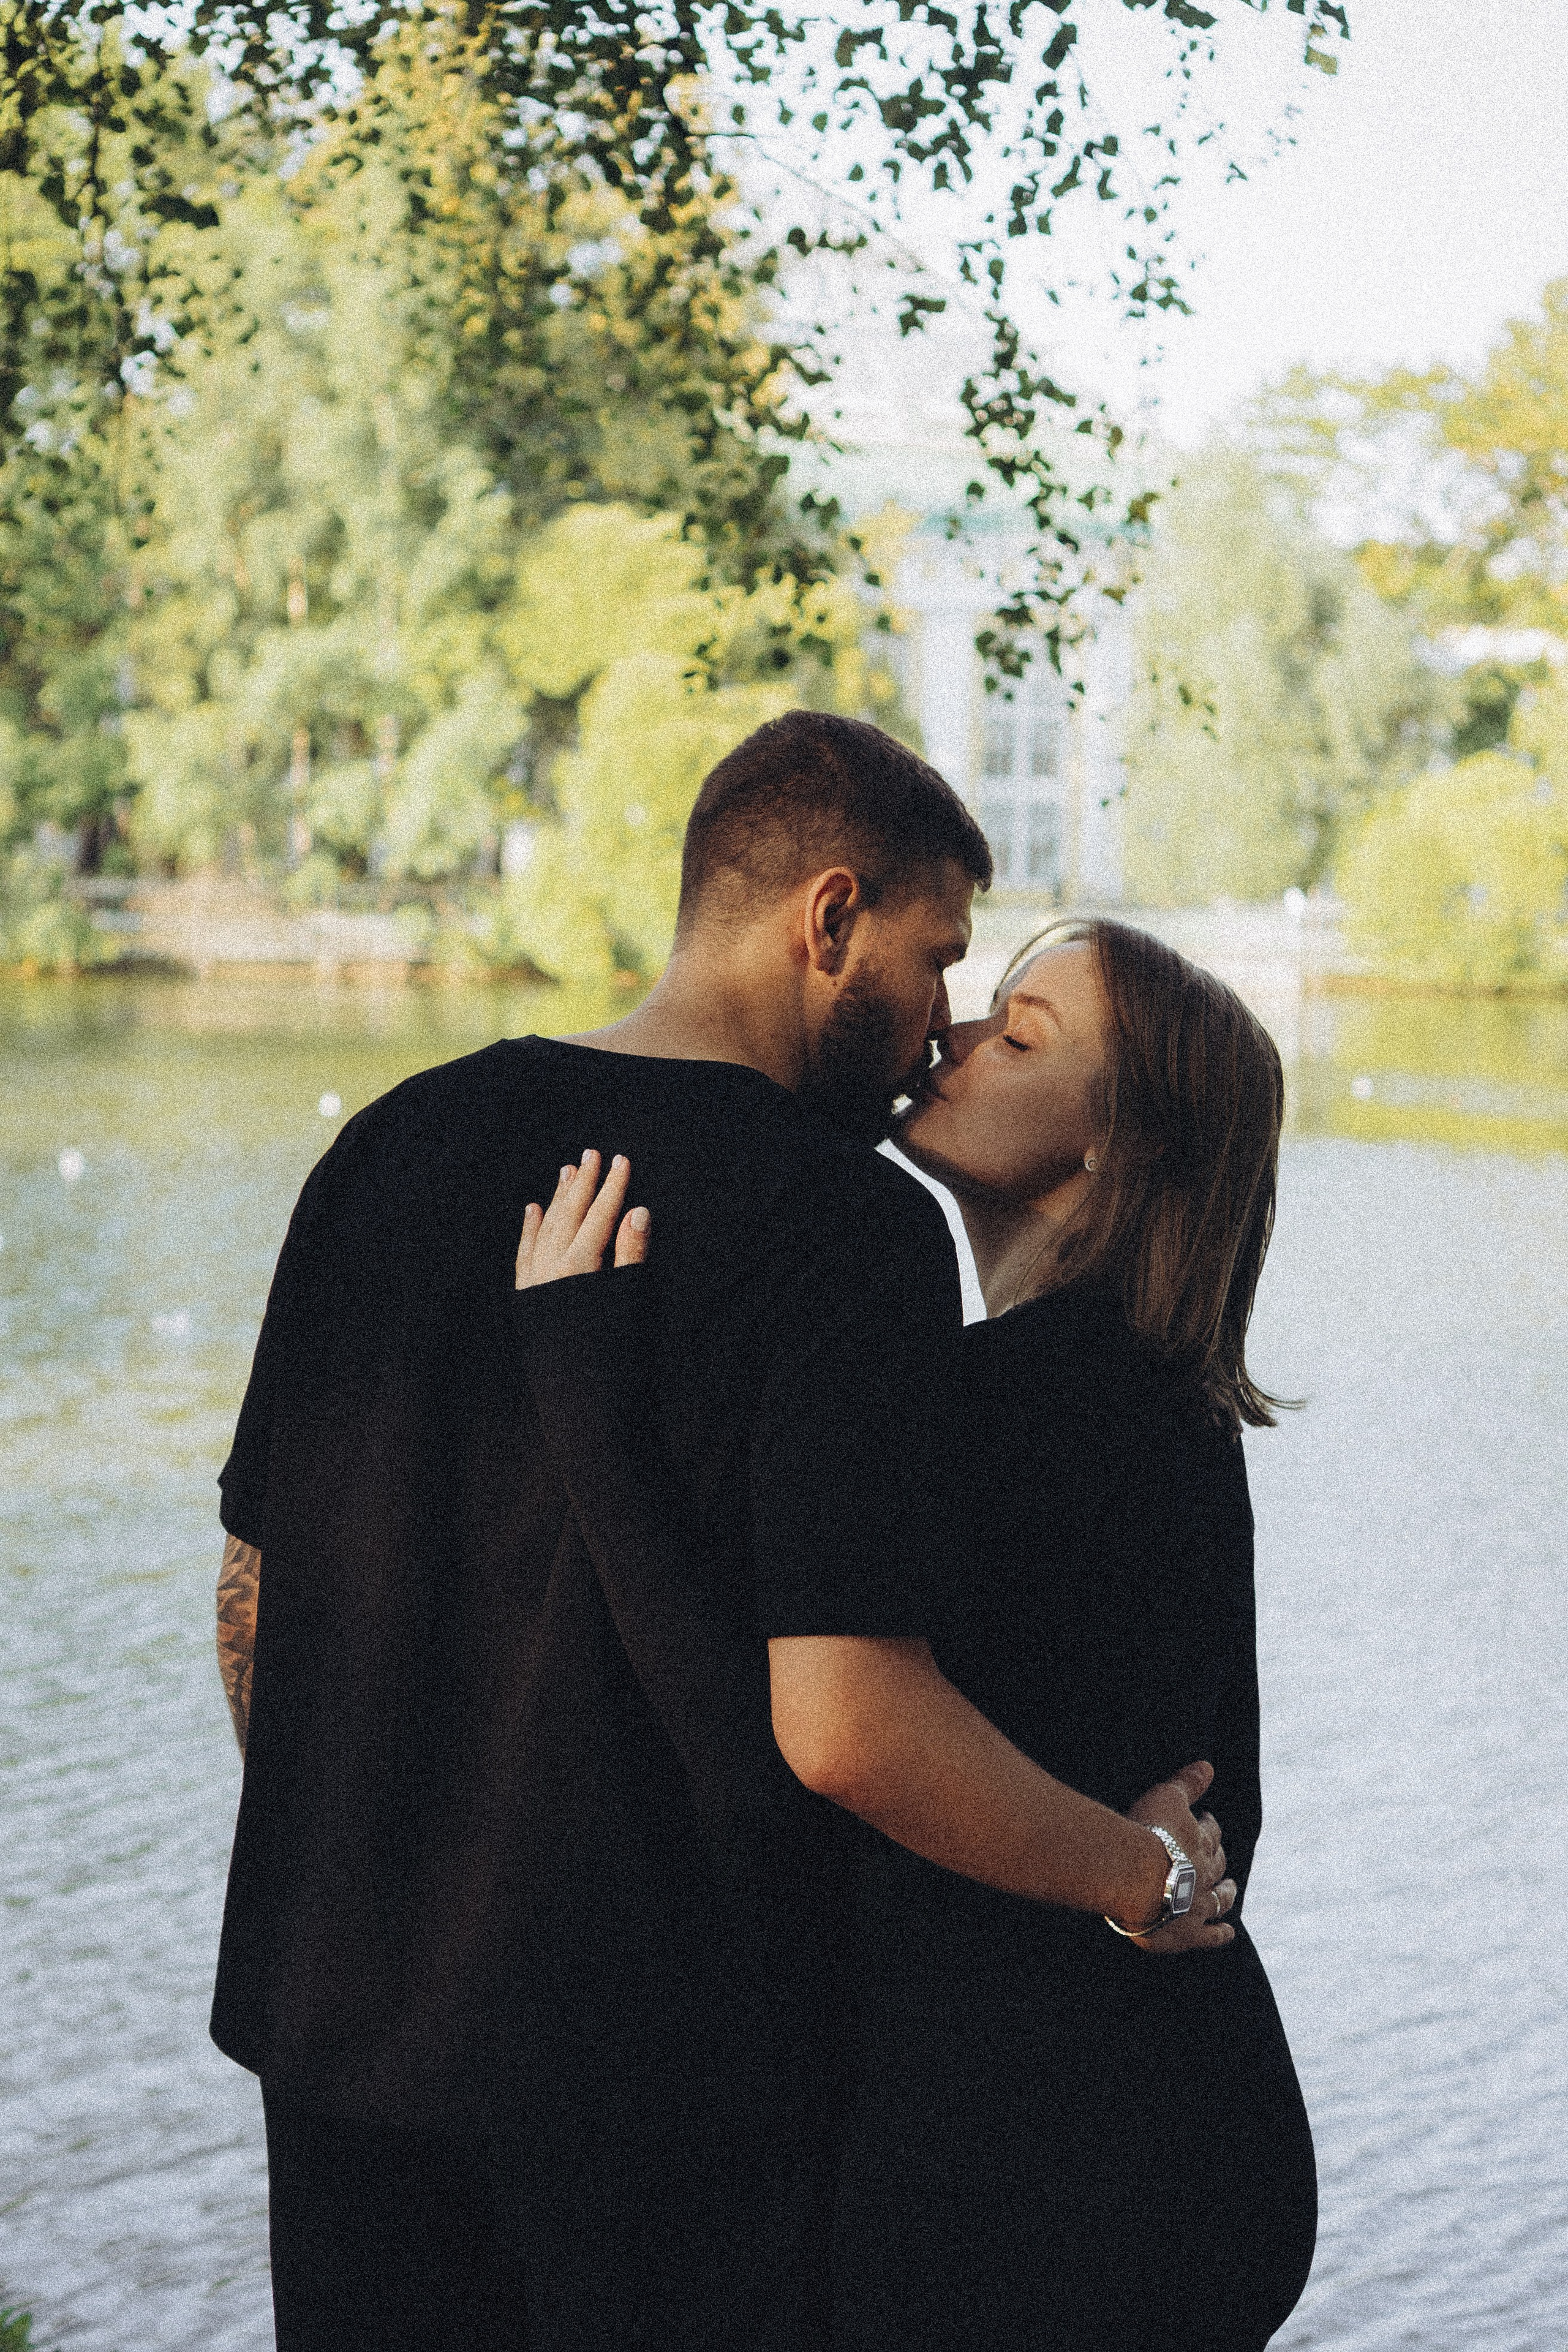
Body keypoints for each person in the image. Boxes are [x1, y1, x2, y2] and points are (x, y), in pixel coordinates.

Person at [213, 712, 1229, 2352]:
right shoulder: (845, 1232)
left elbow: (256, 1598)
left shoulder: (386, 1146)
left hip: (337, 2031)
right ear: (829, 922)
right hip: (656, 2091)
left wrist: (375, 1866)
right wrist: (1139, 1872)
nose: (941, 1022)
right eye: (935, 955)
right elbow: (848, 1718)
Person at [514, 918, 1316, 2350]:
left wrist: (579, 1379)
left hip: (1033, 2169)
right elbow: (1223, 1803)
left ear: (1113, 1151)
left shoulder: (986, 1398)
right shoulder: (1169, 1405)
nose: (947, 1037)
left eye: (1017, 1037)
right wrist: (1156, 1874)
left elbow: (760, 1721)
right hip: (1183, 2124)